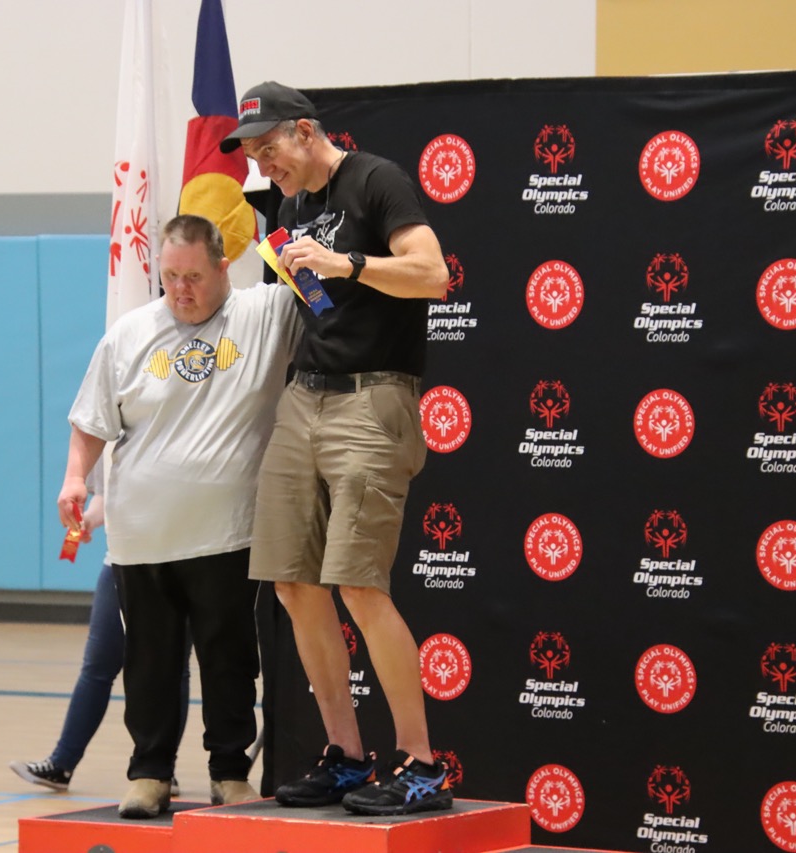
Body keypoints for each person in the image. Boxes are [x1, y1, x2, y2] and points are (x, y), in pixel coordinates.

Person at [220, 81, 452, 816]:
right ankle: (348, 756)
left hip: (373, 396)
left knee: (359, 585)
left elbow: (434, 276)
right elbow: (314, 305)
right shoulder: (291, 209)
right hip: (305, 396)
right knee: (292, 582)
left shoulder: (376, 180)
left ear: (306, 130)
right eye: (252, 157)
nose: (263, 166)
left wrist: (348, 263)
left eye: (269, 149)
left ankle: (422, 764)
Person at [57, 214, 302, 818]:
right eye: (169, 277)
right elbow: (91, 419)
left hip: (226, 534)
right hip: (142, 538)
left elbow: (321, 292)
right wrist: (75, 477)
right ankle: (150, 772)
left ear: (224, 267)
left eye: (193, 276)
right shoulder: (129, 334)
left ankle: (229, 772)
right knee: (149, 662)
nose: (180, 290)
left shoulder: (264, 314)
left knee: (229, 659)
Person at [8, 496, 192, 794]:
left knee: (173, 669)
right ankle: (61, 764)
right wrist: (90, 519)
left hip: (182, 561)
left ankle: (161, 768)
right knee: (97, 666)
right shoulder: (97, 461)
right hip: (122, 561)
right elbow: (107, 493)